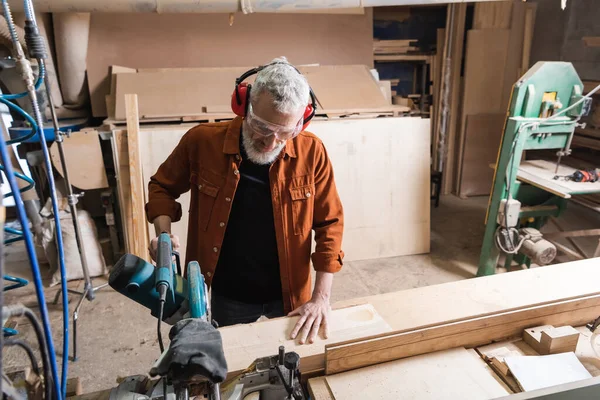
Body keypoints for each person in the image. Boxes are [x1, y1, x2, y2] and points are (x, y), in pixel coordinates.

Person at [145, 57, 344, 344]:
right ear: (243, 106)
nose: (270, 142)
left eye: (285, 132)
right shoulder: (201, 142)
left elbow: (330, 223)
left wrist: (321, 298)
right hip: (229, 292)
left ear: (302, 120)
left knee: (290, 373)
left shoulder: (311, 152)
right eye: (261, 127)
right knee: (231, 368)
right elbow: (161, 186)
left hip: (290, 295)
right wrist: (163, 238)